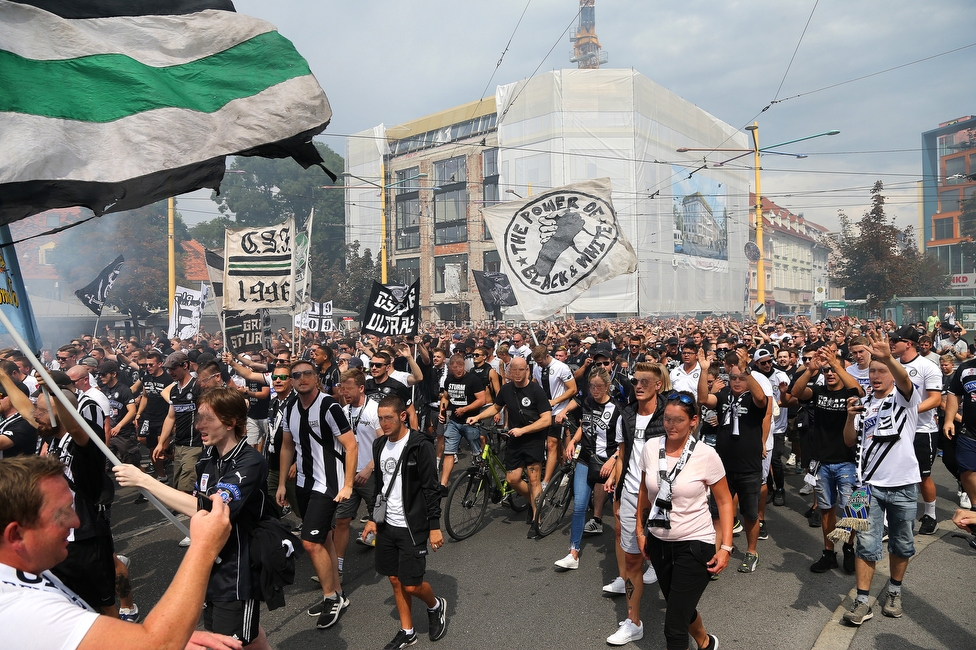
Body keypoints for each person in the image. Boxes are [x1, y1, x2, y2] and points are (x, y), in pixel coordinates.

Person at [0, 455, 241, 650]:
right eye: (61, 513)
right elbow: (158, 645)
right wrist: (204, 546)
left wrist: (130, 640)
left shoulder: (25, 575)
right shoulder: (18, 608)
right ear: (15, 535)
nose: (75, 522)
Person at [115, 387, 273, 648]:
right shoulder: (208, 457)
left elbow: (214, 511)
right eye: (198, 417)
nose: (199, 425)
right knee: (248, 633)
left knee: (225, 641)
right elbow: (198, 504)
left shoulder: (250, 461)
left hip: (237, 571)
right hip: (210, 564)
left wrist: (145, 480)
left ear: (231, 422)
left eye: (207, 419)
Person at [635, 391, 732, 650]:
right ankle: (706, 642)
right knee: (682, 608)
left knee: (674, 626)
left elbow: (724, 502)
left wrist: (726, 548)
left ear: (693, 421)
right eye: (667, 419)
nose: (671, 425)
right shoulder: (651, 447)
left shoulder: (706, 455)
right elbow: (645, 494)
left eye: (678, 420)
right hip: (658, 542)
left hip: (694, 545)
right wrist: (640, 532)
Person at [841, 331, 922, 626]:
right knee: (865, 543)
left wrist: (889, 356)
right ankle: (863, 601)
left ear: (892, 373)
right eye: (872, 370)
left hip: (903, 484)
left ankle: (894, 593)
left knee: (901, 544)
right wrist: (850, 417)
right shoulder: (865, 403)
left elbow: (906, 382)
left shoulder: (904, 399)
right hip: (867, 487)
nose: (874, 375)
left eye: (881, 371)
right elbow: (850, 442)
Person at [276, 360, 357, 630]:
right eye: (295, 375)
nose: (301, 379)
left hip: (327, 485)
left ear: (316, 377)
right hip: (303, 483)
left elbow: (351, 445)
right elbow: (287, 446)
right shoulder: (289, 407)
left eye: (306, 373)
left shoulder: (329, 406)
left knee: (310, 542)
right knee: (325, 539)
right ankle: (338, 593)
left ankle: (330, 596)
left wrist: (347, 485)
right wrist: (281, 484)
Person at [361, 396, 448, 649]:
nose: (383, 423)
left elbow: (431, 489)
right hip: (387, 524)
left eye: (388, 417)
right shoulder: (378, 445)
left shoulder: (420, 445)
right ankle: (407, 630)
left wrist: (434, 527)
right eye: (380, 418)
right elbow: (379, 486)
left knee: (411, 585)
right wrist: (372, 519)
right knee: (394, 579)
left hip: (413, 525)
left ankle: (435, 605)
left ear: (402, 416)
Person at [605, 362, 669, 645]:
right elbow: (622, 454)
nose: (638, 385)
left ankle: (684, 616)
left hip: (666, 498)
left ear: (658, 385)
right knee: (631, 560)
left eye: (645, 381)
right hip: (631, 493)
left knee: (672, 562)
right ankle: (633, 620)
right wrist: (618, 492)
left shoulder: (671, 413)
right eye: (635, 380)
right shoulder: (626, 414)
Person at [789, 346, 862, 574]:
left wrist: (838, 366)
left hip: (847, 461)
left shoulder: (849, 392)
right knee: (826, 509)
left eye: (834, 369)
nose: (830, 373)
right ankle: (829, 552)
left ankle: (849, 548)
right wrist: (810, 371)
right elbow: (797, 392)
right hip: (821, 461)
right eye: (827, 370)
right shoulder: (819, 391)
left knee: (852, 509)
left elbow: (858, 390)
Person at [697, 348, 769, 575]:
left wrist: (748, 371)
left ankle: (751, 551)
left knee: (749, 514)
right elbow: (702, 399)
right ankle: (718, 552)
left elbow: (760, 399)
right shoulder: (723, 395)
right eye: (733, 378)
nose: (737, 382)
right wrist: (704, 371)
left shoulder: (756, 397)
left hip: (749, 467)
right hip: (723, 467)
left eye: (741, 378)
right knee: (718, 512)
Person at [466, 356, 552, 537]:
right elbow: (496, 408)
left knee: (534, 480)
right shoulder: (506, 389)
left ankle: (537, 519)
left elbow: (546, 419)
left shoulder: (536, 391)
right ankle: (534, 501)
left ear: (527, 370)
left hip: (533, 440)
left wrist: (524, 430)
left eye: (521, 370)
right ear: (509, 371)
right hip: (514, 440)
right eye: (514, 370)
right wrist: (478, 417)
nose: (518, 373)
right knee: (512, 479)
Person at [553, 367, 622, 570]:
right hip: (585, 458)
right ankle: (573, 553)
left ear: (607, 386)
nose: (595, 390)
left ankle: (636, 555)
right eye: (592, 386)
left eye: (599, 386)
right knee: (580, 506)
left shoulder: (617, 408)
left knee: (621, 513)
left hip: (608, 463)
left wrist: (615, 459)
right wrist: (574, 440)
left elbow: (624, 441)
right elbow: (585, 425)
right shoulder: (588, 402)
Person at [334, 368, 383, 571]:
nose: (344, 393)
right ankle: (336, 568)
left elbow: (384, 442)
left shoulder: (374, 410)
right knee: (342, 519)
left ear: (361, 388)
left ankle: (388, 564)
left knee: (380, 517)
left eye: (348, 389)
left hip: (371, 474)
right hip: (349, 476)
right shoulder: (343, 411)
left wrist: (369, 468)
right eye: (342, 388)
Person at [438, 354, 486, 489]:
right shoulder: (449, 379)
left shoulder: (473, 380)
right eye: (454, 369)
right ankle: (444, 484)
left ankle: (481, 475)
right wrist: (442, 412)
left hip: (470, 421)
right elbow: (446, 397)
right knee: (449, 452)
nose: (457, 371)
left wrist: (465, 409)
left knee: (476, 451)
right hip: (454, 421)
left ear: (463, 366)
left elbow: (482, 400)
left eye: (459, 368)